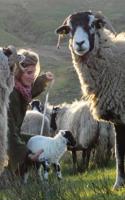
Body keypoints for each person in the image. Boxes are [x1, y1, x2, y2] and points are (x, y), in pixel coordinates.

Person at [7, 48, 54, 173]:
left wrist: (43, 79)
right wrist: (26, 155)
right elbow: (8, 133)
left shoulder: (19, 89)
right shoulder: (11, 95)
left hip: (12, 137)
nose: (32, 77)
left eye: (34, 72)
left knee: (39, 142)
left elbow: (30, 92)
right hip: (7, 140)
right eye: (28, 73)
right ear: (18, 72)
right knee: (35, 147)